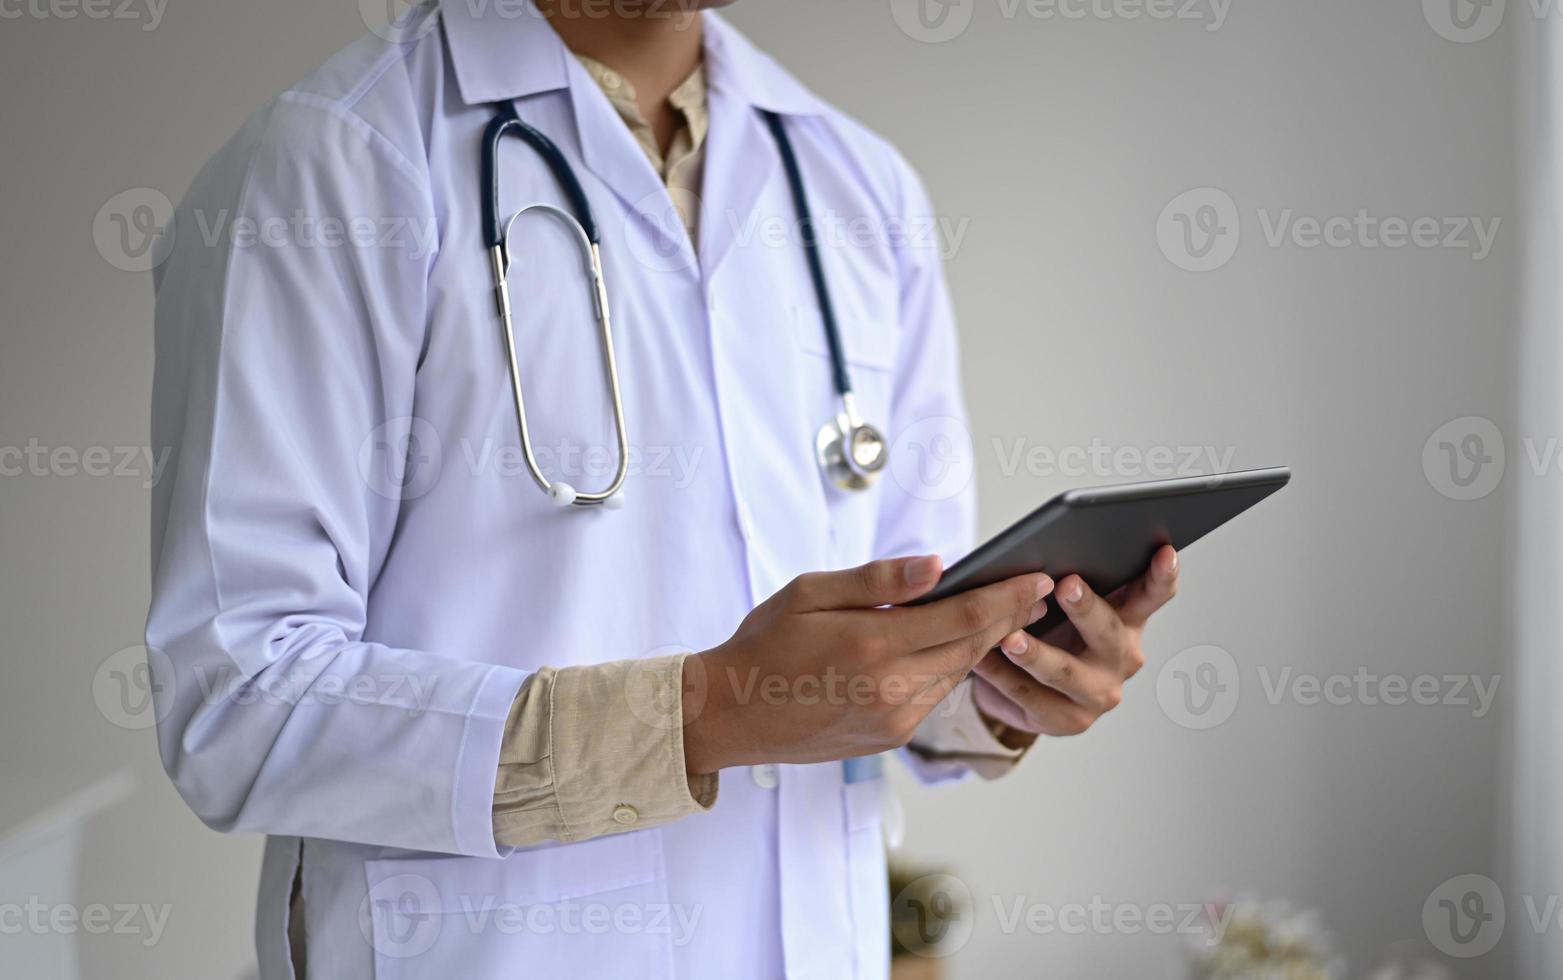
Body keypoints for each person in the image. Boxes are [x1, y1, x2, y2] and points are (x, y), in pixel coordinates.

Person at [145, 1, 1180, 976]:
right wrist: (708, 709)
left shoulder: (855, 184)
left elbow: (903, 644)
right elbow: (238, 705)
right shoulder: (333, 165)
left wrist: (1010, 679)